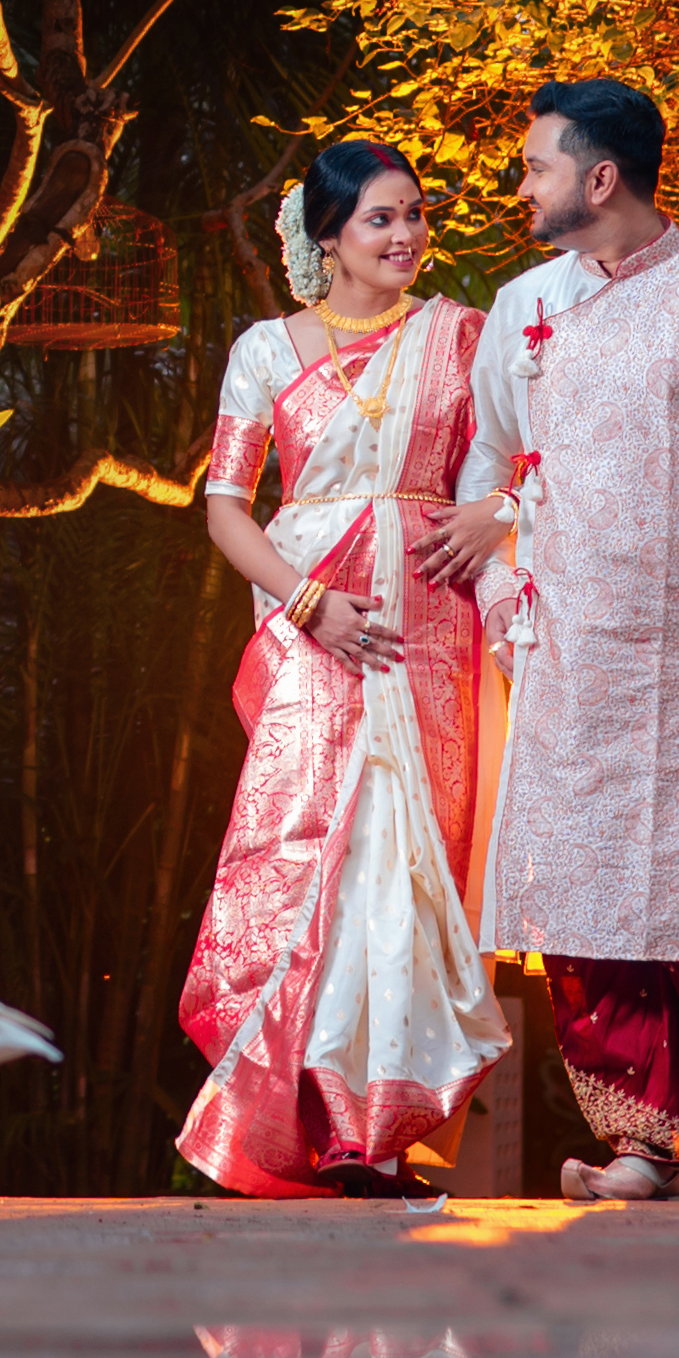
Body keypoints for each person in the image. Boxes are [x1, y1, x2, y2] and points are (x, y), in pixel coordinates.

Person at [424, 76, 679, 1200]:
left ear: (598, 178)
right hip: (571, 653)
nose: (522, 186)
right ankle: (644, 1144)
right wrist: (507, 599)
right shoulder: (520, 309)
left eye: (536, 167)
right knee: (591, 903)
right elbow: (488, 472)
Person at [175, 141, 516, 1200]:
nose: (407, 235)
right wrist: (307, 601)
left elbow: (522, 465)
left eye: (415, 215)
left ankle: (370, 1132)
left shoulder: (464, 337)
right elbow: (224, 505)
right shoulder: (266, 352)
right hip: (309, 626)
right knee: (315, 858)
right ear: (326, 237)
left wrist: (494, 513)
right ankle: (306, 1117)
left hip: (429, 630)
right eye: (380, 219)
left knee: (407, 874)